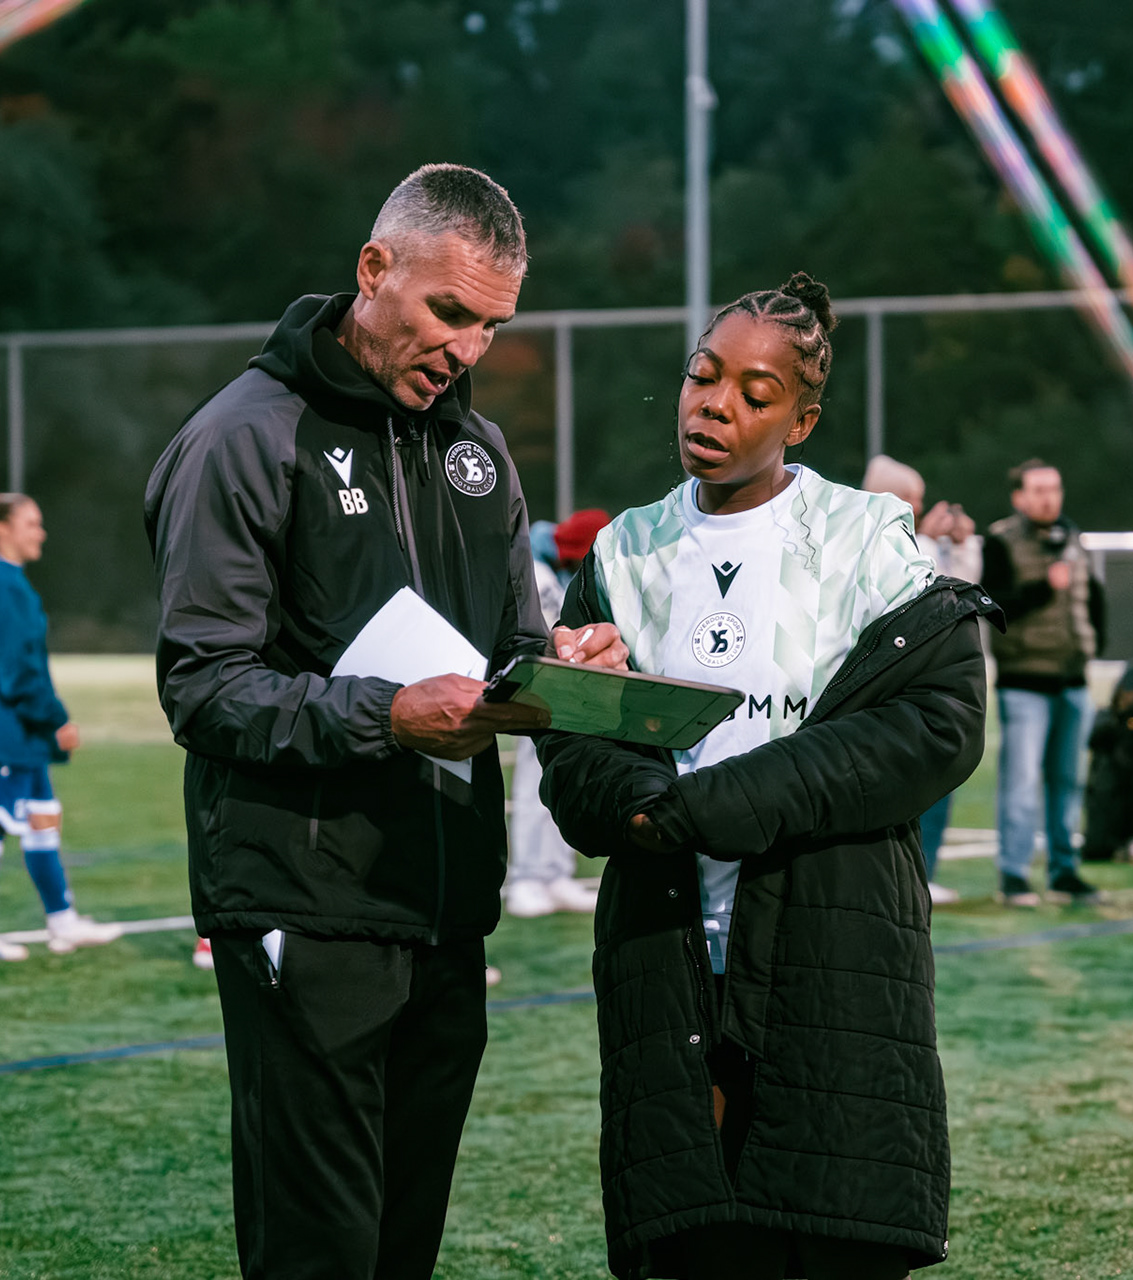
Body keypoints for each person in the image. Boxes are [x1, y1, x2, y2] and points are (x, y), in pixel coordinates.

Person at [143, 163, 627, 1280]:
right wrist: (389, 715)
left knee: (400, 1251)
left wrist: (564, 658)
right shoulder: (243, 437)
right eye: (448, 312)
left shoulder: (480, 452)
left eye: (491, 326)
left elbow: (509, 645)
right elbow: (203, 684)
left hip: (447, 905)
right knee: (322, 1253)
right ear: (374, 270)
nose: (466, 348)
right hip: (302, 904)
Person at [538, 273, 1001, 1280]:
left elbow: (938, 721)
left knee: (827, 1229)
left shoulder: (867, 539)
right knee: (693, 1236)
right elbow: (570, 756)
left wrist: (717, 804)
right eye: (703, 376)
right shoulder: (627, 548)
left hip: (833, 942)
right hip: (664, 952)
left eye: (754, 391)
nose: (715, 403)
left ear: (803, 415)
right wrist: (632, 792)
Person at [0, 493, 123, 962]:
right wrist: (57, 719)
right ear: (3, 528)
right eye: (32, 523)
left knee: (43, 818)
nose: (40, 533)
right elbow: (17, 670)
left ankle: (62, 920)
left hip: (14, 730)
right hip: (6, 730)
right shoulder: (1, 581)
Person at [981, 459, 1105, 906]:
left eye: (1054, 488)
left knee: (1068, 782)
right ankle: (1014, 875)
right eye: (1037, 490)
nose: (1048, 497)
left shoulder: (1074, 539)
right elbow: (993, 607)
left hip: (1072, 680)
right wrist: (1042, 589)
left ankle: (1064, 870)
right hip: (1024, 682)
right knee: (1021, 782)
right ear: (1018, 497)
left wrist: (1092, 646)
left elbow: (1096, 601)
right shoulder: (1000, 541)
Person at [862, 453, 979, 904]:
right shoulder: (880, 543)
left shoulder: (921, 542)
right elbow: (922, 591)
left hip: (929, 685)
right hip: (895, 689)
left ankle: (923, 870)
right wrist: (928, 538)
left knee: (939, 779)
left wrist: (960, 544)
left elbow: (963, 591)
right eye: (909, 499)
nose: (917, 508)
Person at [505, 507, 612, 918]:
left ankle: (554, 874)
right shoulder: (535, 568)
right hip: (537, 688)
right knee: (534, 786)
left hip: (564, 690)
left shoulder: (559, 568)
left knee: (562, 779)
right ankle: (527, 880)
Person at [1080, 663, 1133, 867]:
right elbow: (1093, 740)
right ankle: (1112, 840)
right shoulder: (1107, 718)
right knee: (1096, 852)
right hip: (1108, 795)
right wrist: (1121, 721)